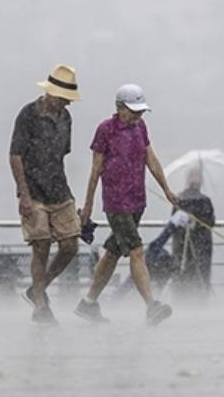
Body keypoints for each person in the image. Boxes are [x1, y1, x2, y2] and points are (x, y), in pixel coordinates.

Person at [75, 84, 179, 325]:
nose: (137, 116)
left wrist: (166, 189)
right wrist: (88, 206)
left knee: (112, 252)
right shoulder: (105, 130)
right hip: (116, 202)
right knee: (136, 250)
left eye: (141, 111)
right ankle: (152, 306)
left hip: (137, 201)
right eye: (133, 111)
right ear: (119, 107)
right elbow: (95, 171)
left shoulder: (140, 126)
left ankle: (88, 303)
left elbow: (150, 159)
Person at [9, 64, 82, 324]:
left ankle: (38, 288)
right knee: (40, 246)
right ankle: (40, 305)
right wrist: (24, 194)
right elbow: (15, 155)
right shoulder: (28, 114)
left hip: (60, 190)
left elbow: (61, 155)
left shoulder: (65, 118)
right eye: (64, 99)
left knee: (70, 244)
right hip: (34, 192)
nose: (68, 104)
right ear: (51, 94)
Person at [169, 166, 216, 300]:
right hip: (202, 246)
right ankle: (200, 299)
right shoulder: (205, 201)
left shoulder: (179, 199)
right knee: (201, 274)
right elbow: (210, 223)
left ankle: (181, 299)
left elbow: (173, 223)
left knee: (182, 273)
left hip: (181, 245)